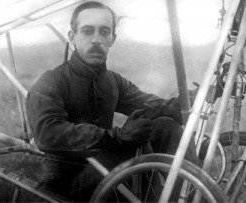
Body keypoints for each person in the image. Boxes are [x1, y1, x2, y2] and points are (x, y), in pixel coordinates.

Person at [26, 1, 200, 201]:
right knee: (133, 146)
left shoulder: (112, 81)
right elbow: (48, 133)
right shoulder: (51, 81)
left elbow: (149, 105)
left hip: (105, 167)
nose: (96, 40)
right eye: (88, 31)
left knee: (166, 126)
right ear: (72, 37)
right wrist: (117, 137)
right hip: (69, 184)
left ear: (113, 38)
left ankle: (190, 196)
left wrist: (184, 102)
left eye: (104, 32)